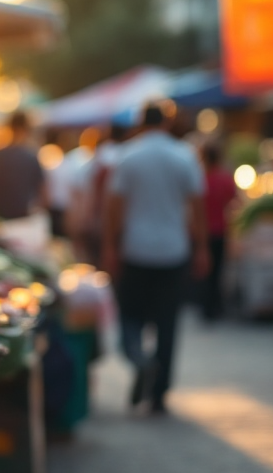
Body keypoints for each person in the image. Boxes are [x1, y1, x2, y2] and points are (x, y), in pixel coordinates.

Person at [103, 101, 207, 414]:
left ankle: (139, 359)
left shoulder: (128, 156)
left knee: (130, 316)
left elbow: (115, 207)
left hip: (136, 250)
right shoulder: (184, 155)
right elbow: (197, 207)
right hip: (174, 251)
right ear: (167, 122)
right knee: (167, 323)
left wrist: (110, 245)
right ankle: (159, 393)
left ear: (140, 122)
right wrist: (201, 248)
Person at [69, 123, 129, 265]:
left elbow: (81, 191)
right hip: (120, 224)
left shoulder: (98, 159)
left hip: (98, 222)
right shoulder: (126, 155)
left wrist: (82, 220)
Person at [0, 111, 45, 220]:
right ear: (27, 130)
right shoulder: (31, 158)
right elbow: (44, 194)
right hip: (23, 219)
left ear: (9, 128)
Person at [200, 141, 237, 320]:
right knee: (217, 269)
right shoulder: (224, 178)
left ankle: (205, 304)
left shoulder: (201, 177)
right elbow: (234, 200)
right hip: (220, 229)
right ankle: (215, 304)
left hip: (203, 229)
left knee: (204, 269)